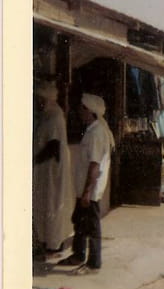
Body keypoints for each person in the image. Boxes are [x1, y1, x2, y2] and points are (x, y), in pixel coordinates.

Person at [57, 93, 115, 274]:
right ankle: (78, 255)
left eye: (82, 109)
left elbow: (94, 166)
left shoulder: (97, 133)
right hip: (83, 188)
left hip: (90, 190)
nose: (79, 112)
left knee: (91, 225)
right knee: (80, 222)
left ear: (89, 111)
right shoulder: (92, 130)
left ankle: (93, 263)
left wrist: (87, 192)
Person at [33, 80, 75, 258]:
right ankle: (46, 242)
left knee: (53, 204)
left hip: (52, 169)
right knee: (45, 203)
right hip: (45, 169)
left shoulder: (55, 116)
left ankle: (53, 245)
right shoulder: (47, 114)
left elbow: (53, 145)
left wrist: (34, 160)